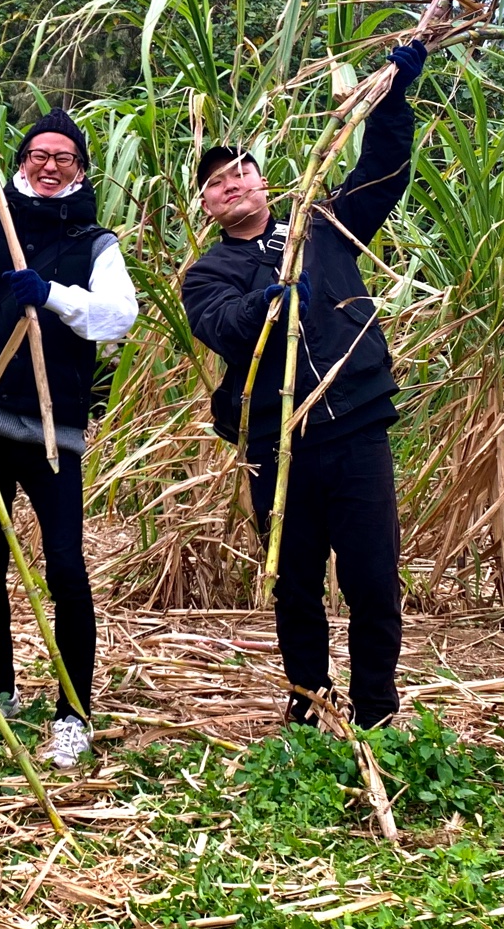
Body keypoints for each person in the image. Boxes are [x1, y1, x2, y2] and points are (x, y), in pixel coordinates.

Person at [179, 39, 427, 731]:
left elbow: (383, 171)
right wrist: (274, 298)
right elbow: (222, 325)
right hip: (276, 442)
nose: (232, 185)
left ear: (264, 183)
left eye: (241, 174)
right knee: (295, 585)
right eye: (217, 184)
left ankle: (378, 710)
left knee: (374, 579)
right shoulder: (206, 272)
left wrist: (391, 101)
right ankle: (308, 702)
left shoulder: (324, 227)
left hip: (354, 423)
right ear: (207, 206)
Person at [0, 46, 138, 770]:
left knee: (66, 569)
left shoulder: (93, 243)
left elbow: (117, 318)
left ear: (80, 167)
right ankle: (0, 688)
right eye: (38, 153)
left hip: (53, 433)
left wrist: (54, 296)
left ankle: (74, 711)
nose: (48, 164)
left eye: (63, 156)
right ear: (22, 158)